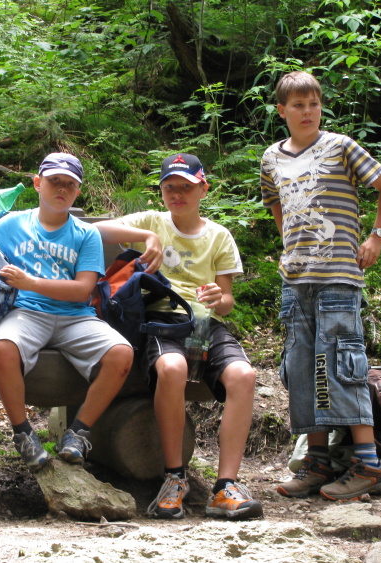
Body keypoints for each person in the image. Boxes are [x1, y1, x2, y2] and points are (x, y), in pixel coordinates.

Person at [94, 153, 263, 520]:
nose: (177, 194)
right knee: (172, 368)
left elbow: (227, 302)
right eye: (169, 187)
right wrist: (145, 237)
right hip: (162, 322)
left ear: (203, 189)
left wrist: (219, 297)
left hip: (205, 324)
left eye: (186, 187)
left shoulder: (219, 236)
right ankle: (174, 478)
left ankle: (226, 486)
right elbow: (97, 230)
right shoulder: (153, 221)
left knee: (244, 376)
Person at [260, 71, 381, 500]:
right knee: (303, 368)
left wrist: (376, 237)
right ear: (282, 110)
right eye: (298, 105)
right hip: (295, 281)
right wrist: (288, 246)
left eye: (314, 104)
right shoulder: (271, 157)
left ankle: (370, 465)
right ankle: (317, 463)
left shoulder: (340, 146)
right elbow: (276, 204)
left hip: (338, 274)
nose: (307, 112)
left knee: (340, 364)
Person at [0, 152, 134, 472]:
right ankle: (24, 435)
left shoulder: (86, 234)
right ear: (37, 183)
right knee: (3, 349)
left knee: (121, 354)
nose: (61, 188)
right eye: (54, 181)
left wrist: (31, 282)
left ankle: (77, 434)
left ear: (78, 192)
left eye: (69, 184)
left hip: (76, 317)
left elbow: (83, 289)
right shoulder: (13, 224)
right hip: (26, 313)